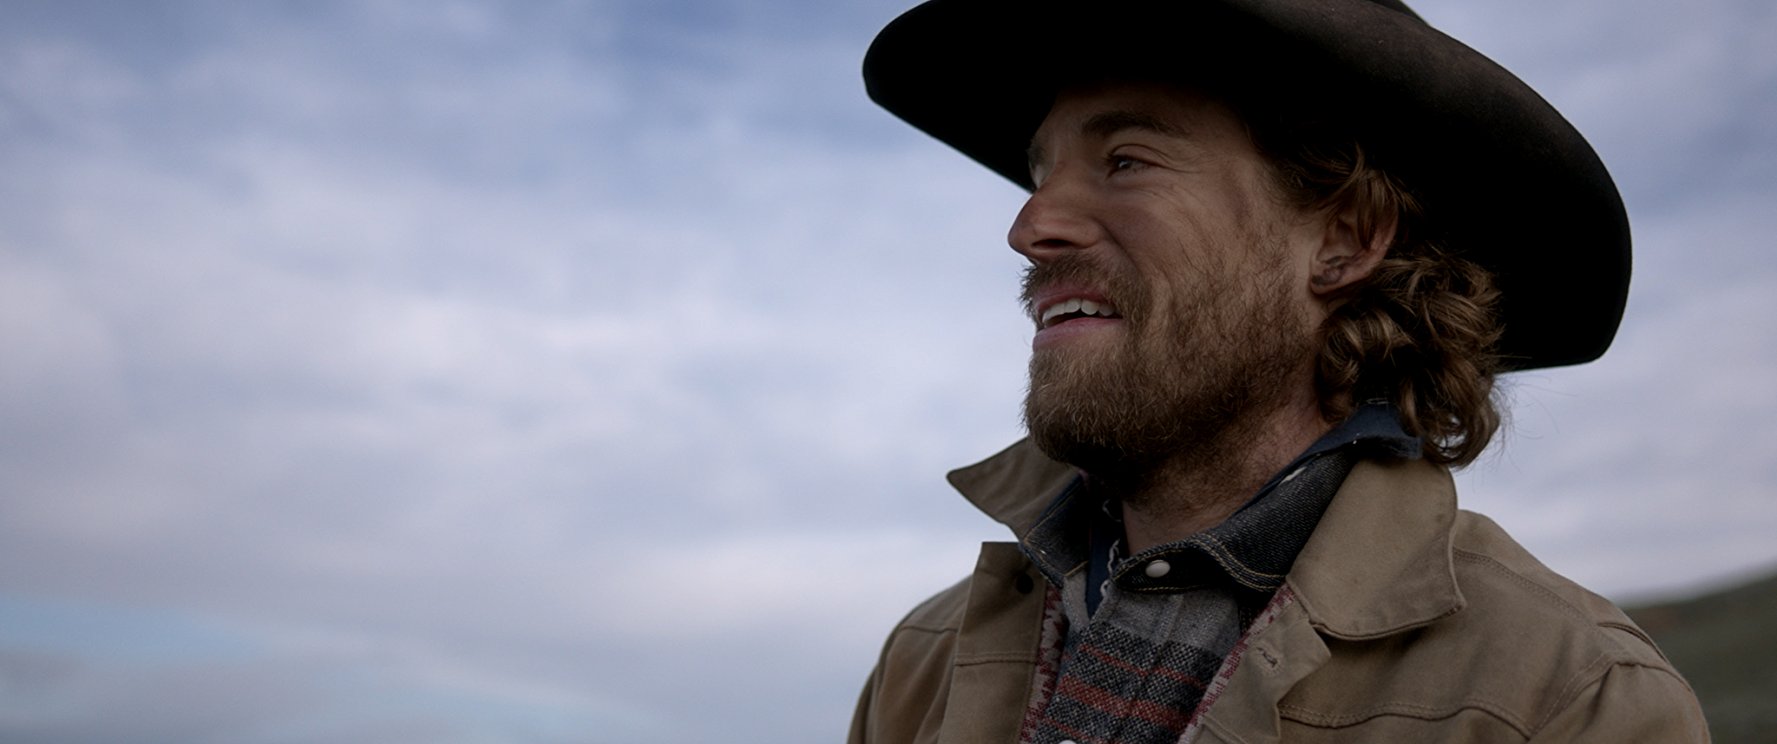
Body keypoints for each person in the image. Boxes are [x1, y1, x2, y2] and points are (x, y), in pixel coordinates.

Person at [848, 1, 1712, 742]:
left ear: (1343, 240)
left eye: (1125, 161)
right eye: (1039, 175)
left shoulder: (1563, 698)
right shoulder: (925, 660)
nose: (1029, 228)